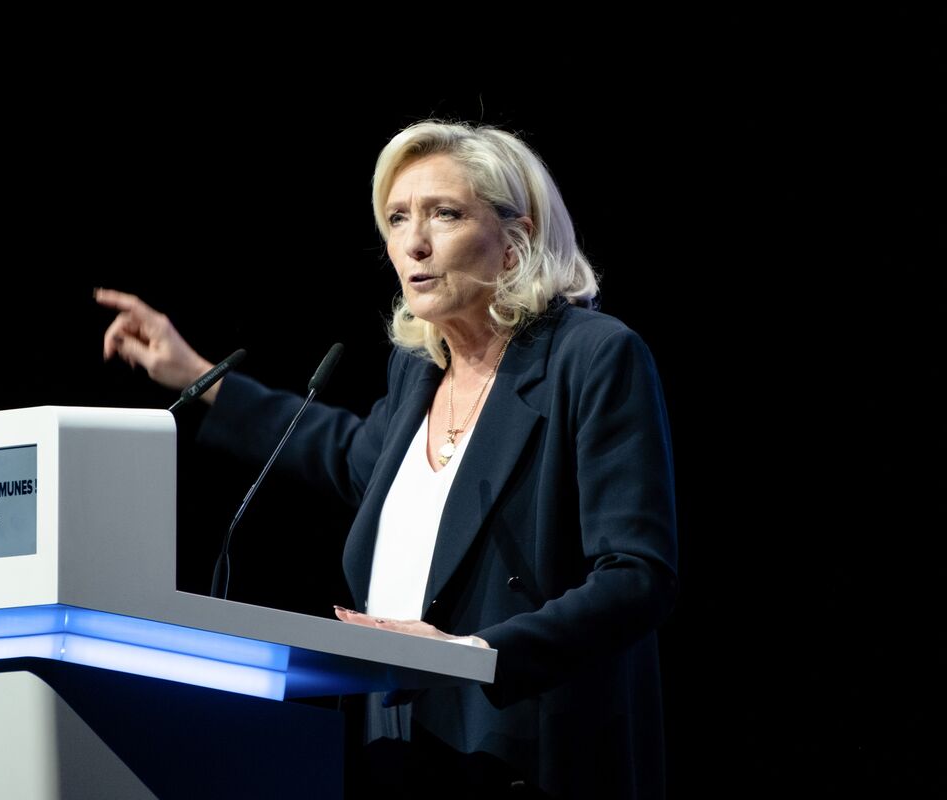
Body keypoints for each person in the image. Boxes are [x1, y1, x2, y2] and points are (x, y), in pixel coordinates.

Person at [96, 120, 678, 799]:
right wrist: (199, 376)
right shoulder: (418, 373)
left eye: (444, 214)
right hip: (399, 749)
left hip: (525, 749)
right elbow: (344, 452)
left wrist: (478, 656)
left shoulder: (592, 358)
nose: (413, 243)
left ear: (515, 242)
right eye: (398, 218)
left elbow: (638, 576)